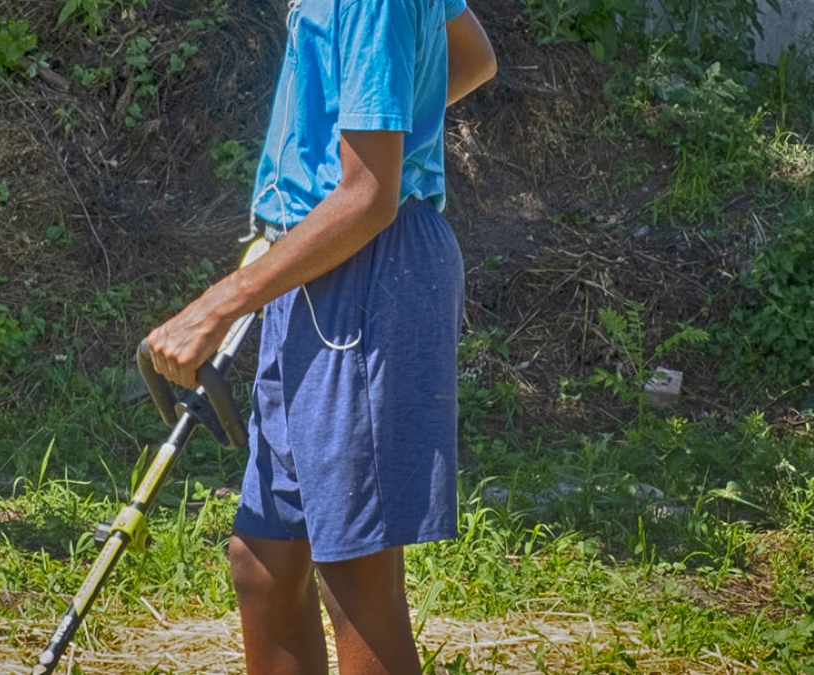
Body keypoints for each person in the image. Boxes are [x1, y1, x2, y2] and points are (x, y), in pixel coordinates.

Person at [147, 1, 496, 673]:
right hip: (315, 263)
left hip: (368, 270)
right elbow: (473, 55)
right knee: (266, 561)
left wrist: (217, 306)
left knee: (357, 577)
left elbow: (368, 194)